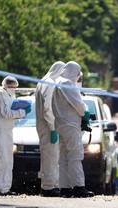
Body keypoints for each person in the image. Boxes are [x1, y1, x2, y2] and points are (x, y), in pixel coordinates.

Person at [52, 61, 94, 198]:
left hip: (60, 124)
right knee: (75, 156)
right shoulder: (67, 84)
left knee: (63, 157)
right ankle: (78, 187)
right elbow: (78, 104)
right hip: (70, 125)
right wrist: (85, 113)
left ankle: (64, 188)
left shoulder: (57, 83)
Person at [0, 76, 29, 195]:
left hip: (7, 131)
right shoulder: (0, 95)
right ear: (7, 86)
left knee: (8, 160)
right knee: (0, 159)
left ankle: (5, 188)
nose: (14, 89)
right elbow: (5, 113)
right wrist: (22, 112)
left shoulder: (9, 95)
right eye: (12, 87)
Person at [35, 61, 65, 197]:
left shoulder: (43, 81)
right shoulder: (50, 83)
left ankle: (49, 185)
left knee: (48, 157)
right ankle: (48, 187)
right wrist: (53, 128)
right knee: (51, 158)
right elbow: (48, 108)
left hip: (44, 126)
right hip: (49, 127)